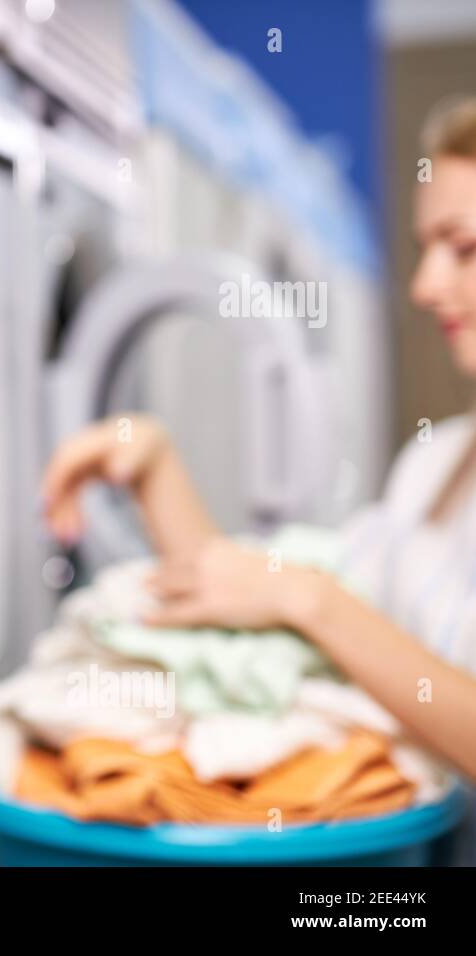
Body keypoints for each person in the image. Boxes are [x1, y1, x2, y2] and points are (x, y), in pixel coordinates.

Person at [40, 99, 476, 791]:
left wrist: (311, 599)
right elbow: (260, 621)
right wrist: (154, 467)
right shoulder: (435, 463)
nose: (425, 286)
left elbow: (312, 606)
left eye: (463, 247)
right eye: (425, 249)